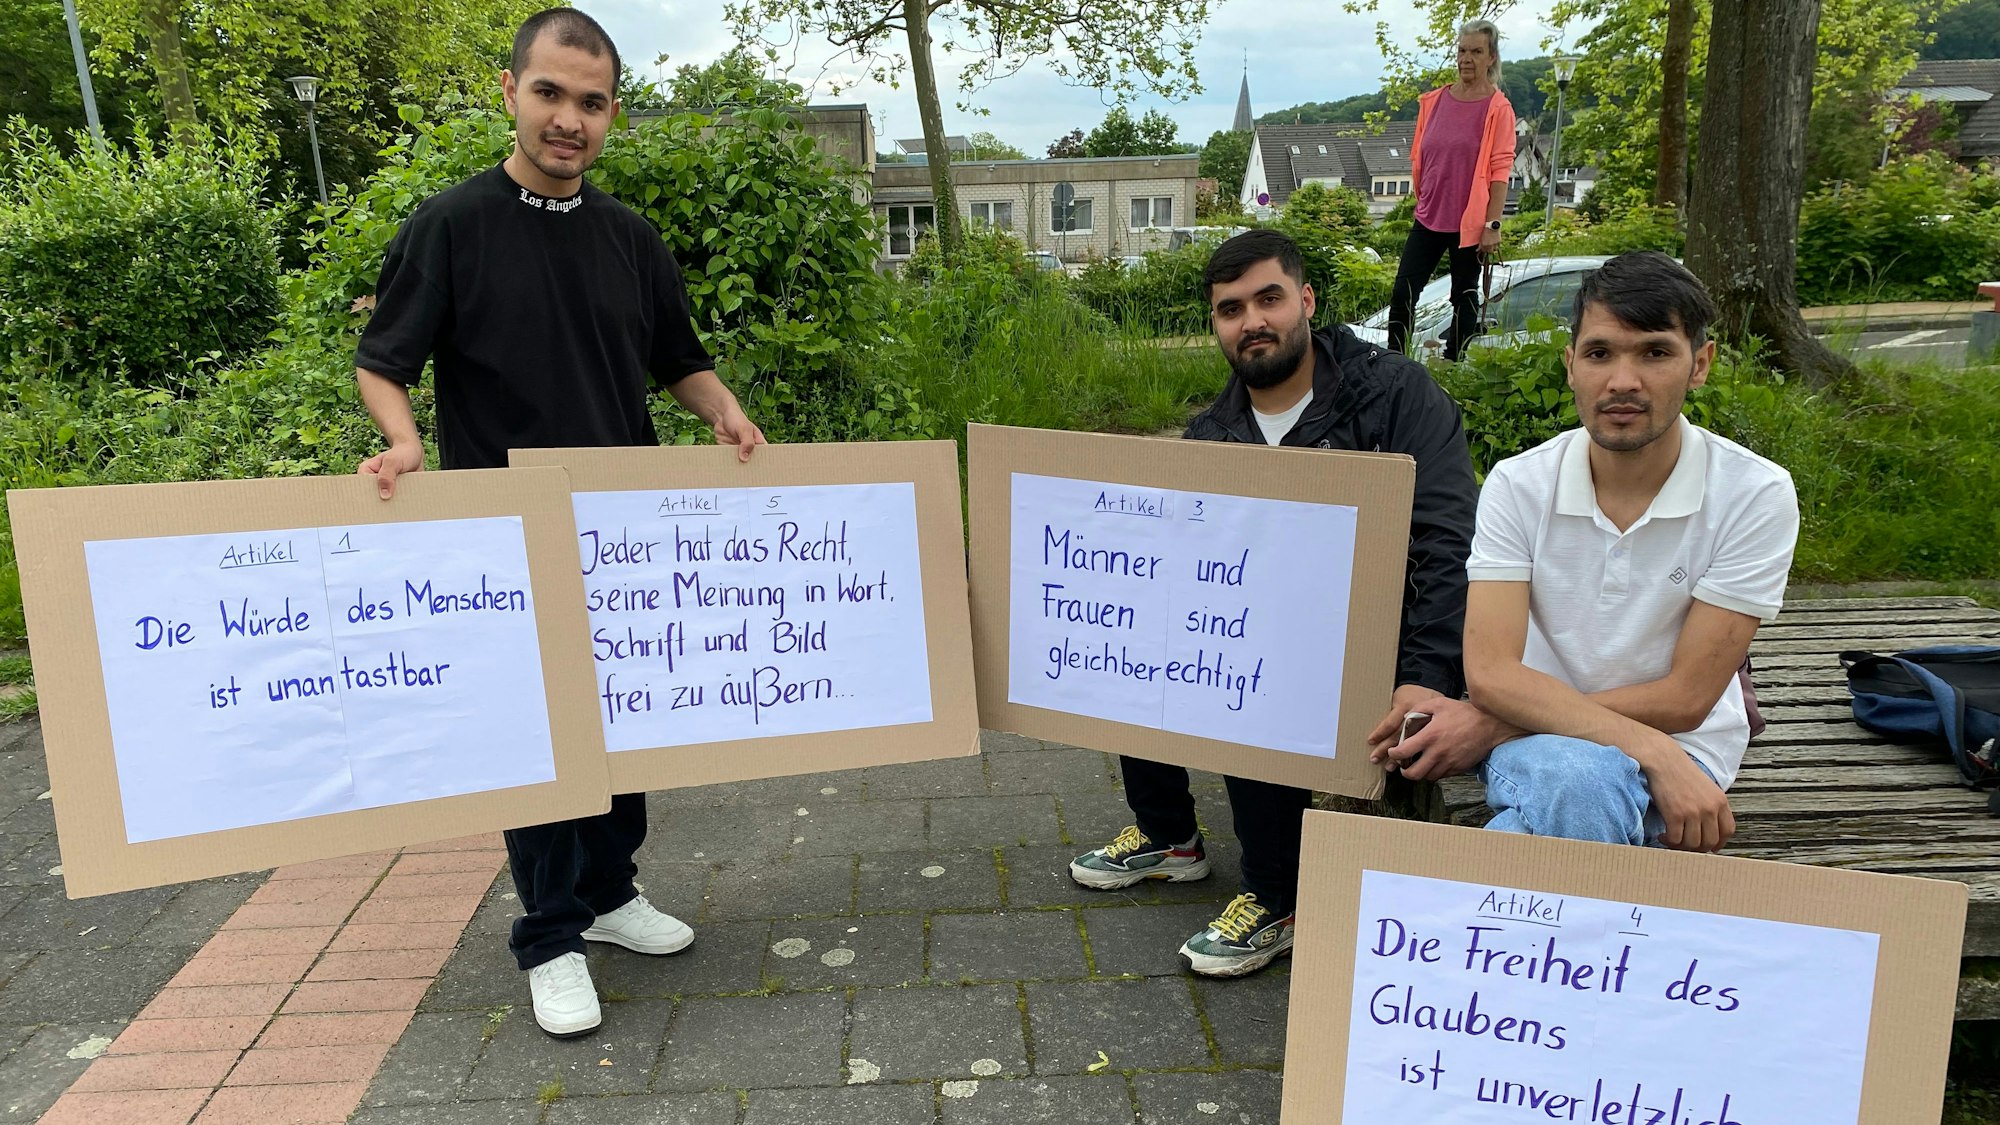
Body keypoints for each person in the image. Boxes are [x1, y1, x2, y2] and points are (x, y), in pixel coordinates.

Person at [351, 8, 766, 1037]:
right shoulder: (451, 224)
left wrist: (722, 412)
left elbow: (677, 357)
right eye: (549, 94)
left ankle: (612, 895)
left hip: (623, 536)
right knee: (537, 746)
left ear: (610, 113)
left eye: (589, 102)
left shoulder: (630, 238)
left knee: (622, 730)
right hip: (505, 537)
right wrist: (402, 443)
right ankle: (548, 937)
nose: (568, 120)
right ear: (510, 92)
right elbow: (382, 361)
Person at [1067, 229, 1477, 977]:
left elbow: (1449, 544)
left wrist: (1424, 677)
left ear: (1306, 301)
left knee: (1256, 667)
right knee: (1136, 627)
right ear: (1215, 326)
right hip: (1276, 634)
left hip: (1386, 643)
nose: (1252, 320)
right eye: (1230, 308)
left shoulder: (1395, 397)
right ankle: (1170, 835)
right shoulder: (1212, 436)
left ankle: (1278, 895)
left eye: (1268, 298)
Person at [1376, 252, 1800, 853]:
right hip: (1553, 747)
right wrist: (1647, 748)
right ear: (1570, 365)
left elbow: (1686, 699)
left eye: (1655, 352)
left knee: (1564, 798)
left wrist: (1495, 720)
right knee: (1580, 777)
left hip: (1686, 749)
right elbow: (1490, 674)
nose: (1622, 381)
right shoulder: (1519, 484)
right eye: (1600, 353)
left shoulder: (1754, 493)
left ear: (1699, 364)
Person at [1387, 19, 1517, 360]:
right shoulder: (1434, 101)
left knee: (1464, 297)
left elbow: (1500, 171)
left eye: (1476, 51)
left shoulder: (1498, 108)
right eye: (1462, 50)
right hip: (1429, 215)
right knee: (1403, 293)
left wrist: (1493, 225)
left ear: (1491, 57)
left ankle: (1452, 362)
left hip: (1470, 224)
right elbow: (1422, 155)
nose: (1466, 59)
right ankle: (1395, 365)